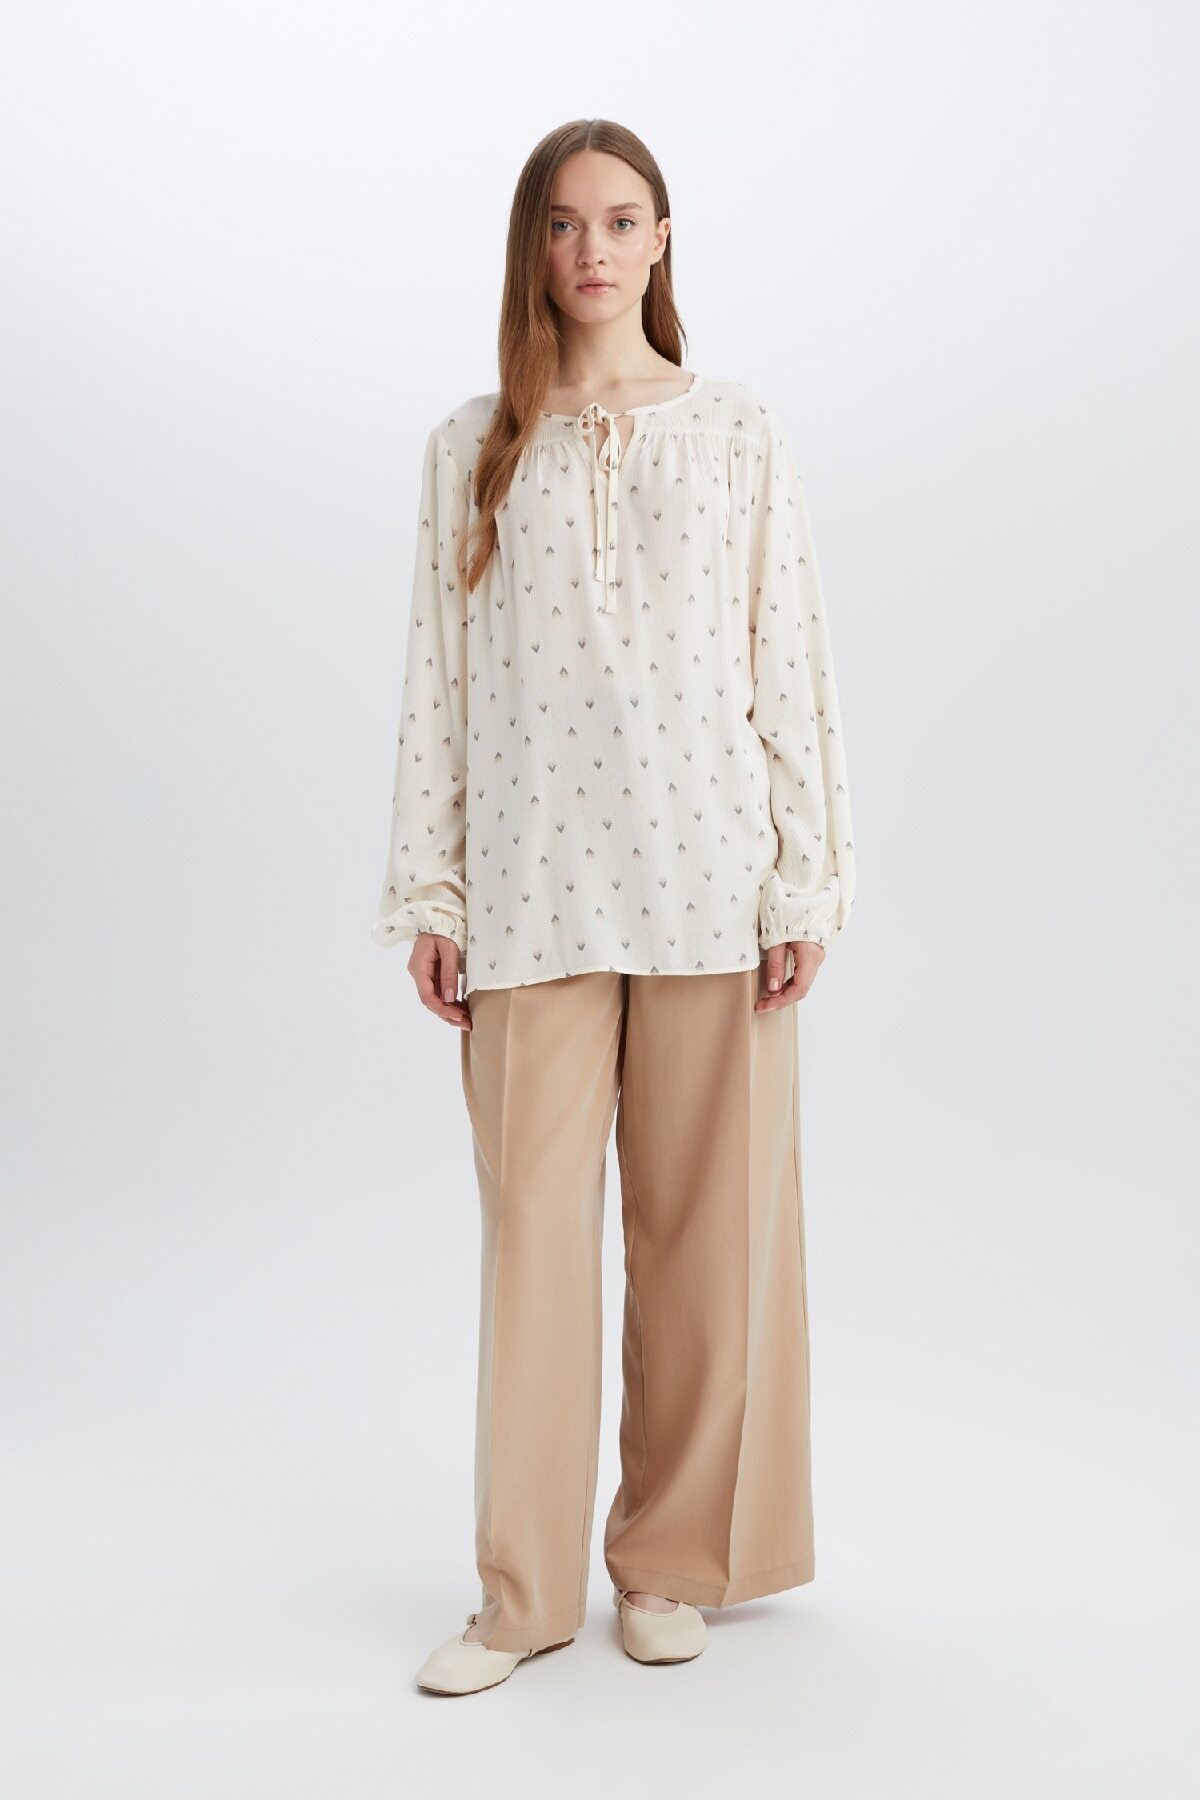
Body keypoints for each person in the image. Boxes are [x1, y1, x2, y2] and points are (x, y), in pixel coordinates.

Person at [370, 118, 857, 1695]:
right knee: (534, 1241)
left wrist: (804, 876)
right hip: (530, 892)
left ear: (662, 238)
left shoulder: (736, 431)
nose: (593, 249)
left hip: (713, 883)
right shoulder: (471, 444)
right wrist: (434, 885)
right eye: (565, 223)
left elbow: (788, 651)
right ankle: (519, 1595)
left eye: (622, 219)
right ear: (536, 245)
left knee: (704, 1241)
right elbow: (439, 684)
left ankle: (667, 1563)